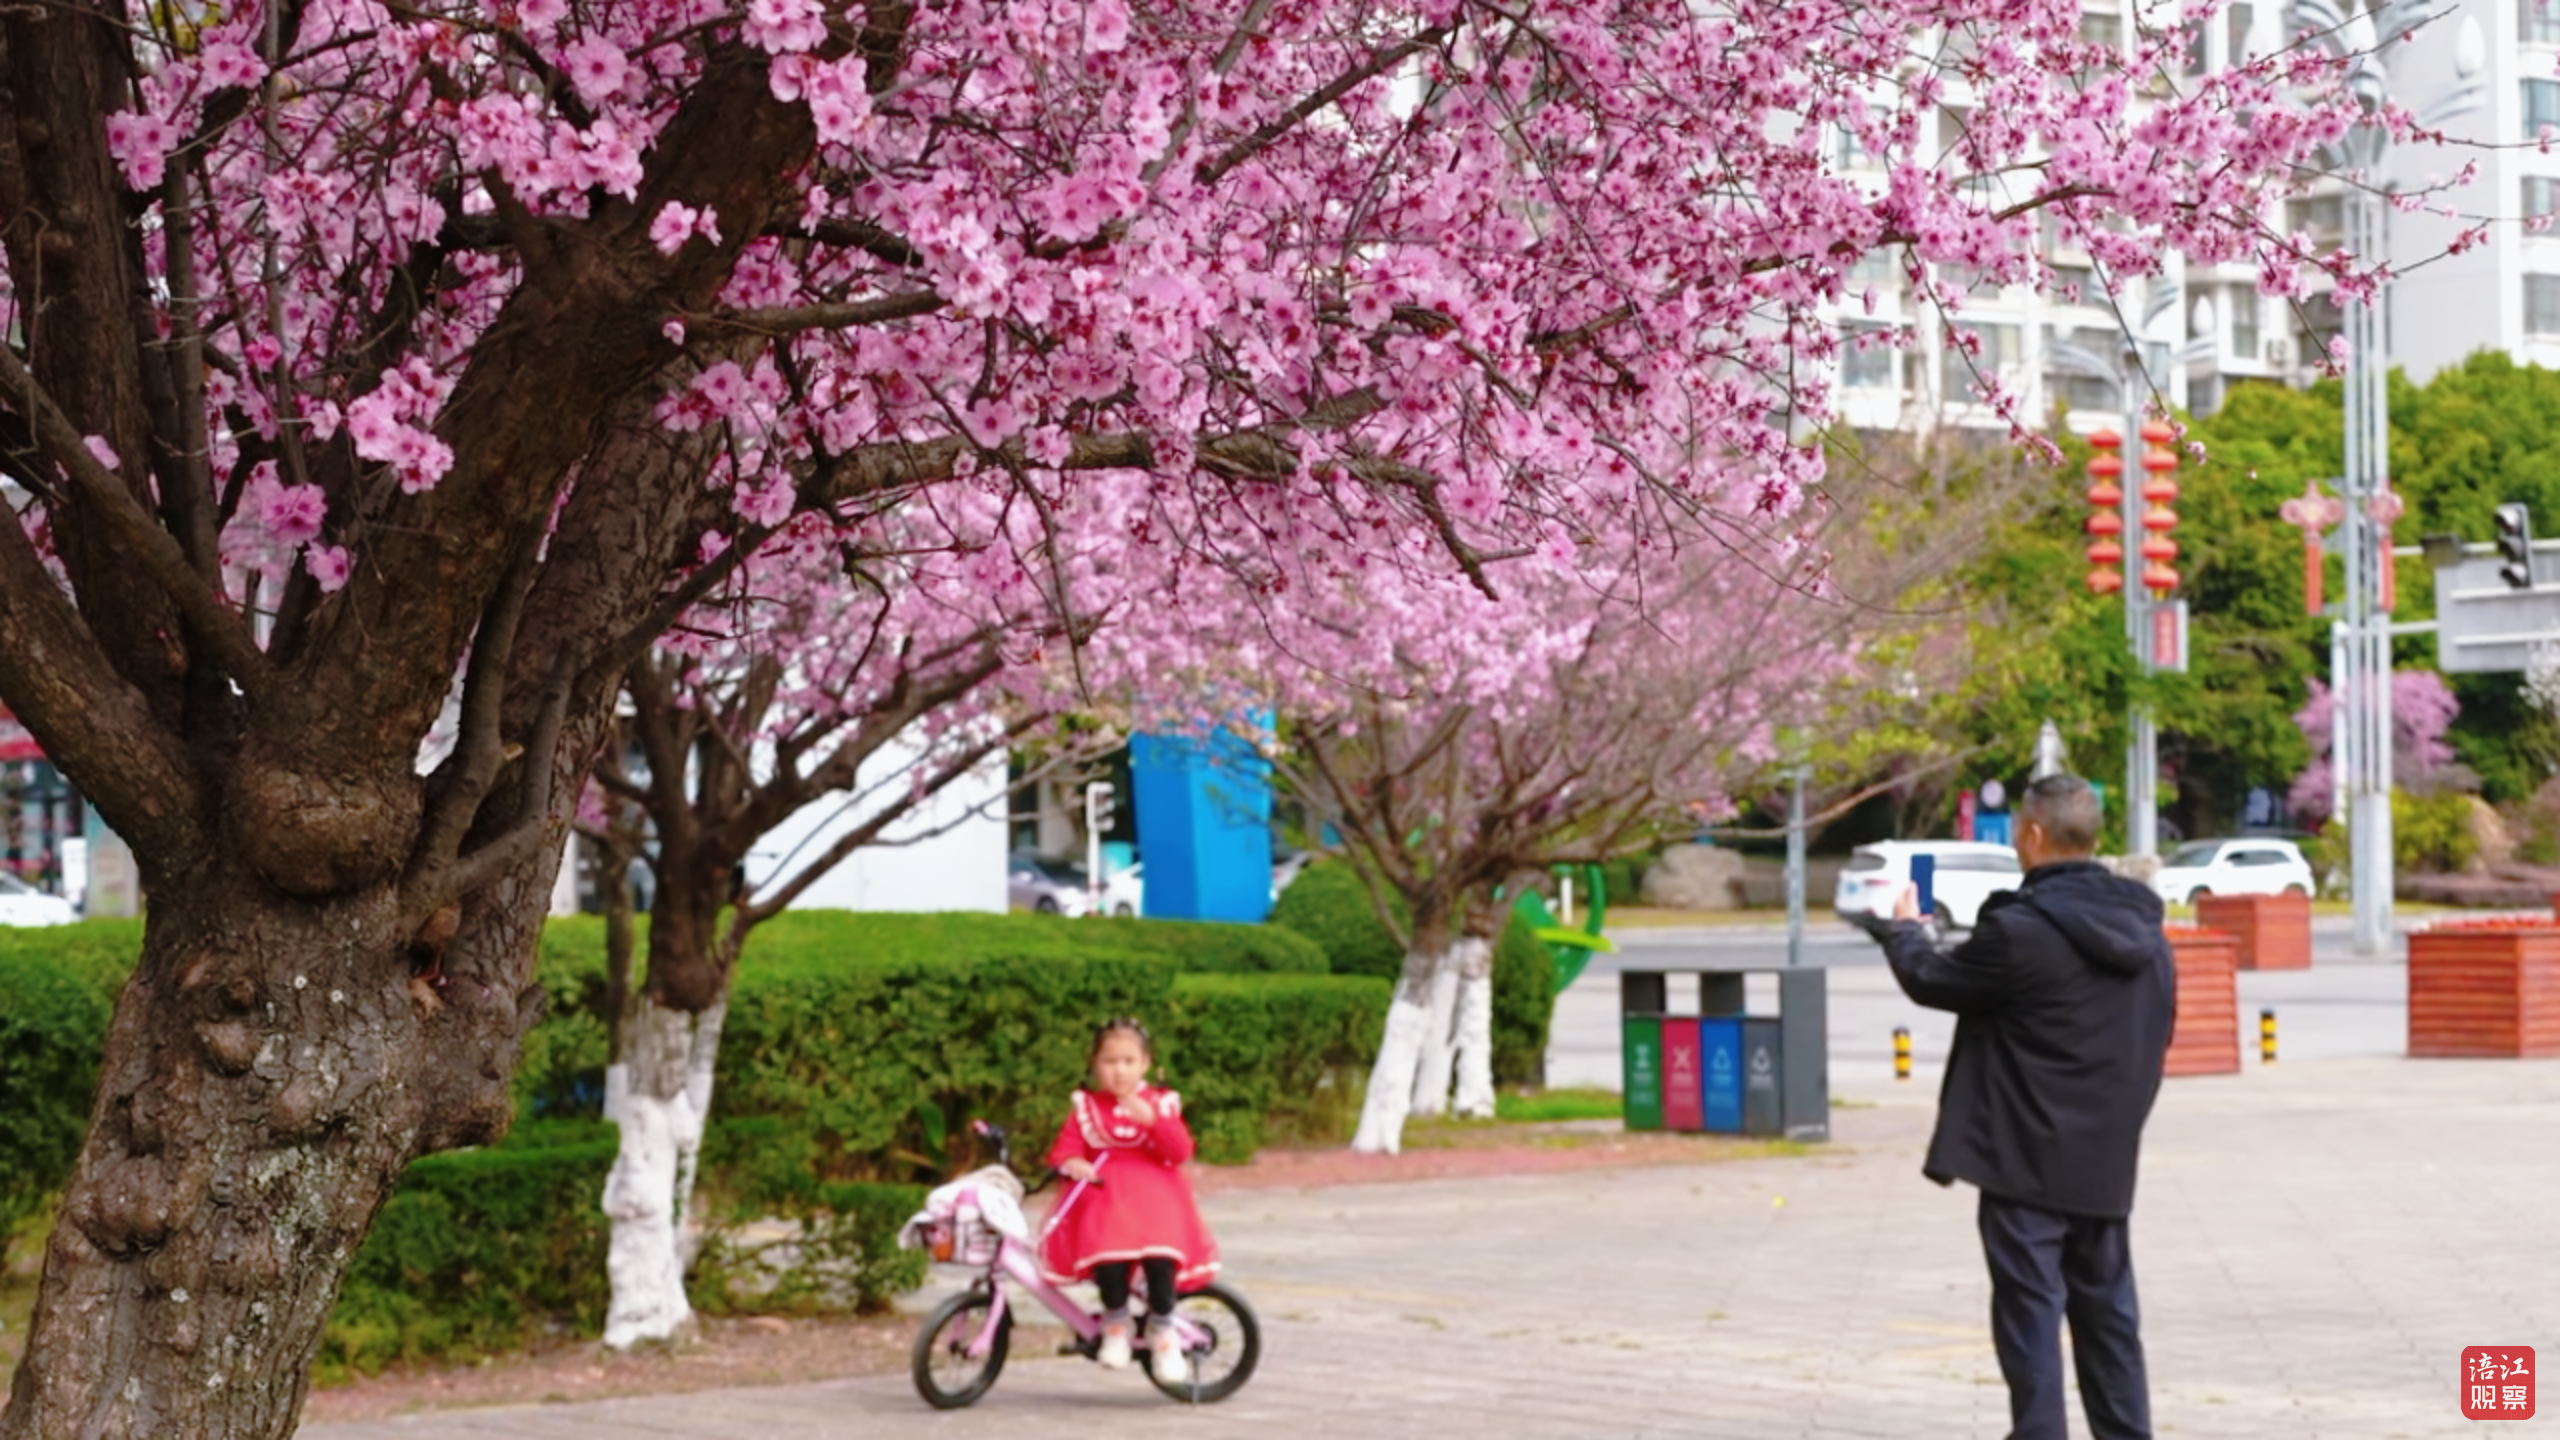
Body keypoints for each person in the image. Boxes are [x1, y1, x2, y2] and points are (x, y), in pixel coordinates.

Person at [1871, 773, 2176, 1440]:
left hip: (2023, 1160)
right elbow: (2158, 1038)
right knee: (2109, 1319)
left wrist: (1905, 930)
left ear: (2034, 835)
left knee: (2030, 1317)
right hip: (2105, 1160)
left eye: (2016, 831)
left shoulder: (2021, 930)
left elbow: (1933, 979)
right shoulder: (2149, 937)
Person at [1041, 1017, 1219, 1383]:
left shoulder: (1159, 1103)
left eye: (1128, 1061)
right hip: (1107, 1197)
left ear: (1145, 1064)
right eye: (1110, 1061)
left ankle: (1163, 1330)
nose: (1119, 1070)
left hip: (1156, 1198)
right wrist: (1074, 1162)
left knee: (1160, 1259)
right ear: (1095, 1065)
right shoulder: (1088, 1108)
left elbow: (1180, 1151)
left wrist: (1154, 1122)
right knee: (1108, 1257)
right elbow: (1066, 1148)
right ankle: (1117, 1322)